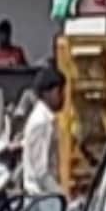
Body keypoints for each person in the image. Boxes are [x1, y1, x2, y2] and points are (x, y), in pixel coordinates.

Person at [22, 67, 66, 197]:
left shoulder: (46, 119)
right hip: (41, 198)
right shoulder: (41, 122)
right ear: (47, 93)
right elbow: (41, 173)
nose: (63, 97)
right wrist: (62, 197)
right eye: (59, 91)